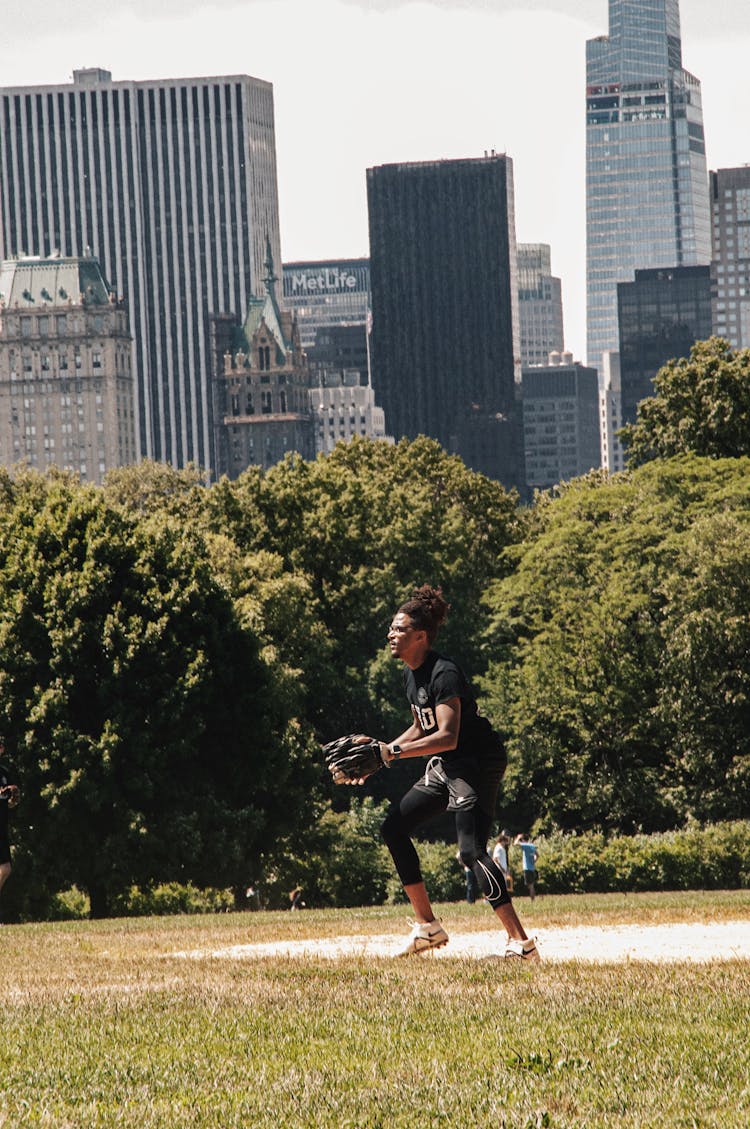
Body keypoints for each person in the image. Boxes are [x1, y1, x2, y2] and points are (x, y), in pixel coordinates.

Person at [376, 585, 539, 959]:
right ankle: (428, 927)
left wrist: (394, 753)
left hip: (477, 761)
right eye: (391, 628)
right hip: (451, 765)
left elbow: (447, 736)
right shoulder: (411, 674)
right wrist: (383, 752)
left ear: (420, 636)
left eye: (398, 630)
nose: (391, 634)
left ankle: (521, 944)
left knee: (471, 851)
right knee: (393, 827)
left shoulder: (444, 672)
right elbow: (422, 727)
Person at [0, 750, 20, 924]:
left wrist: (13, 800)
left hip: (2, 827)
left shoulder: (4, 772)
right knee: (4, 868)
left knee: (5, 869)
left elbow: (10, 802)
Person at [514, 833, 539, 900]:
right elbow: (537, 855)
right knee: (531, 885)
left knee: (530, 886)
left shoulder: (525, 845)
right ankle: (533, 897)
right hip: (532, 868)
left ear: (523, 840)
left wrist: (518, 837)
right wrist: (534, 861)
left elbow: (515, 843)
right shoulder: (532, 845)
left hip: (527, 868)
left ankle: (532, 899)